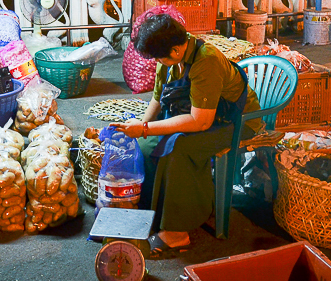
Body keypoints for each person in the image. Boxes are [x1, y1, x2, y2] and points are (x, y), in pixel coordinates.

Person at [112, 14, 262, 258]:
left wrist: (146, 128)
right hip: (200, 115)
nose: (158, 62)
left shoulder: (207, 61)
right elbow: (158, 100)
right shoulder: (169, 55)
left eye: (160, 58)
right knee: (147, 144)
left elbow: (200, 122)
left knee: (178, 149)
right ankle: (156, 212)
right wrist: (141, 127)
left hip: (236, 122)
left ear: (175, 49)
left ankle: (177, 232)